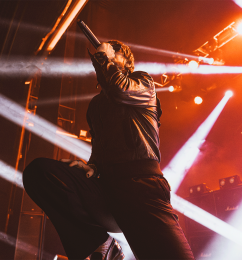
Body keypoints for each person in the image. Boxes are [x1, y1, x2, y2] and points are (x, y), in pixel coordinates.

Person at [23, 40, 195, 260]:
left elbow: (121, 89)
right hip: (107, 190)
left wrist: (105, 58)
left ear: (126, 62)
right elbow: (102, 145)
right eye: (103, 54)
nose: (106, 54)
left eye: (115, 52)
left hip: (142, 190)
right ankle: (101, 246)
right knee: (40, 172)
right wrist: (92, 166)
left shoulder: (142, 83)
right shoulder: (96, 105)